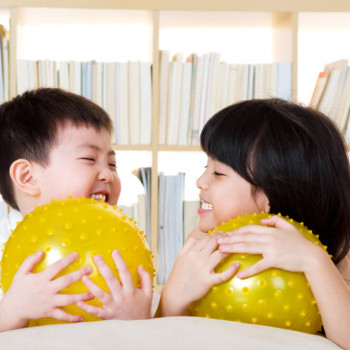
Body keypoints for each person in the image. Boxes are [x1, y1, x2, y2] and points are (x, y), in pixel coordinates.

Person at [159, 98, 350, 350]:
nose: (200, 181)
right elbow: (161, 335)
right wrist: (172, 301)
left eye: (218, 173)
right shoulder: (202, 245)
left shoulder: (334, 259)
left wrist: (313, 261)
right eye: (207, 166)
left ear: (271, 197)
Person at [0, 88, 154, 332]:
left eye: (112, 163)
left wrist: (135, 318)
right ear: (27, 176)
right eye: (89, 159)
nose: (108, 174)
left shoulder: (120, 243)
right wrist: (11, 311)